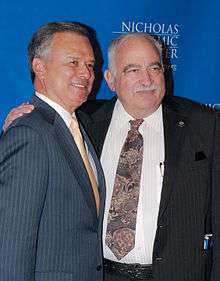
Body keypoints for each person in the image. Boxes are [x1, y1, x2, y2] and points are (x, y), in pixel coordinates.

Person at [4, 32, 220, 281]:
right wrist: (20, 121)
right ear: (110, 79)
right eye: (133, 70)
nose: (147, 79)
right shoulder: (80, 123)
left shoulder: (204, 125)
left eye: (154, 67)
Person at [0, 21, 106, 281]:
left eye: (90, 65)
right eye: (73, 62)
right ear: (40, 67)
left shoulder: (74, 126)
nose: (86, 73)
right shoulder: (31, 134)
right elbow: (11, 247)